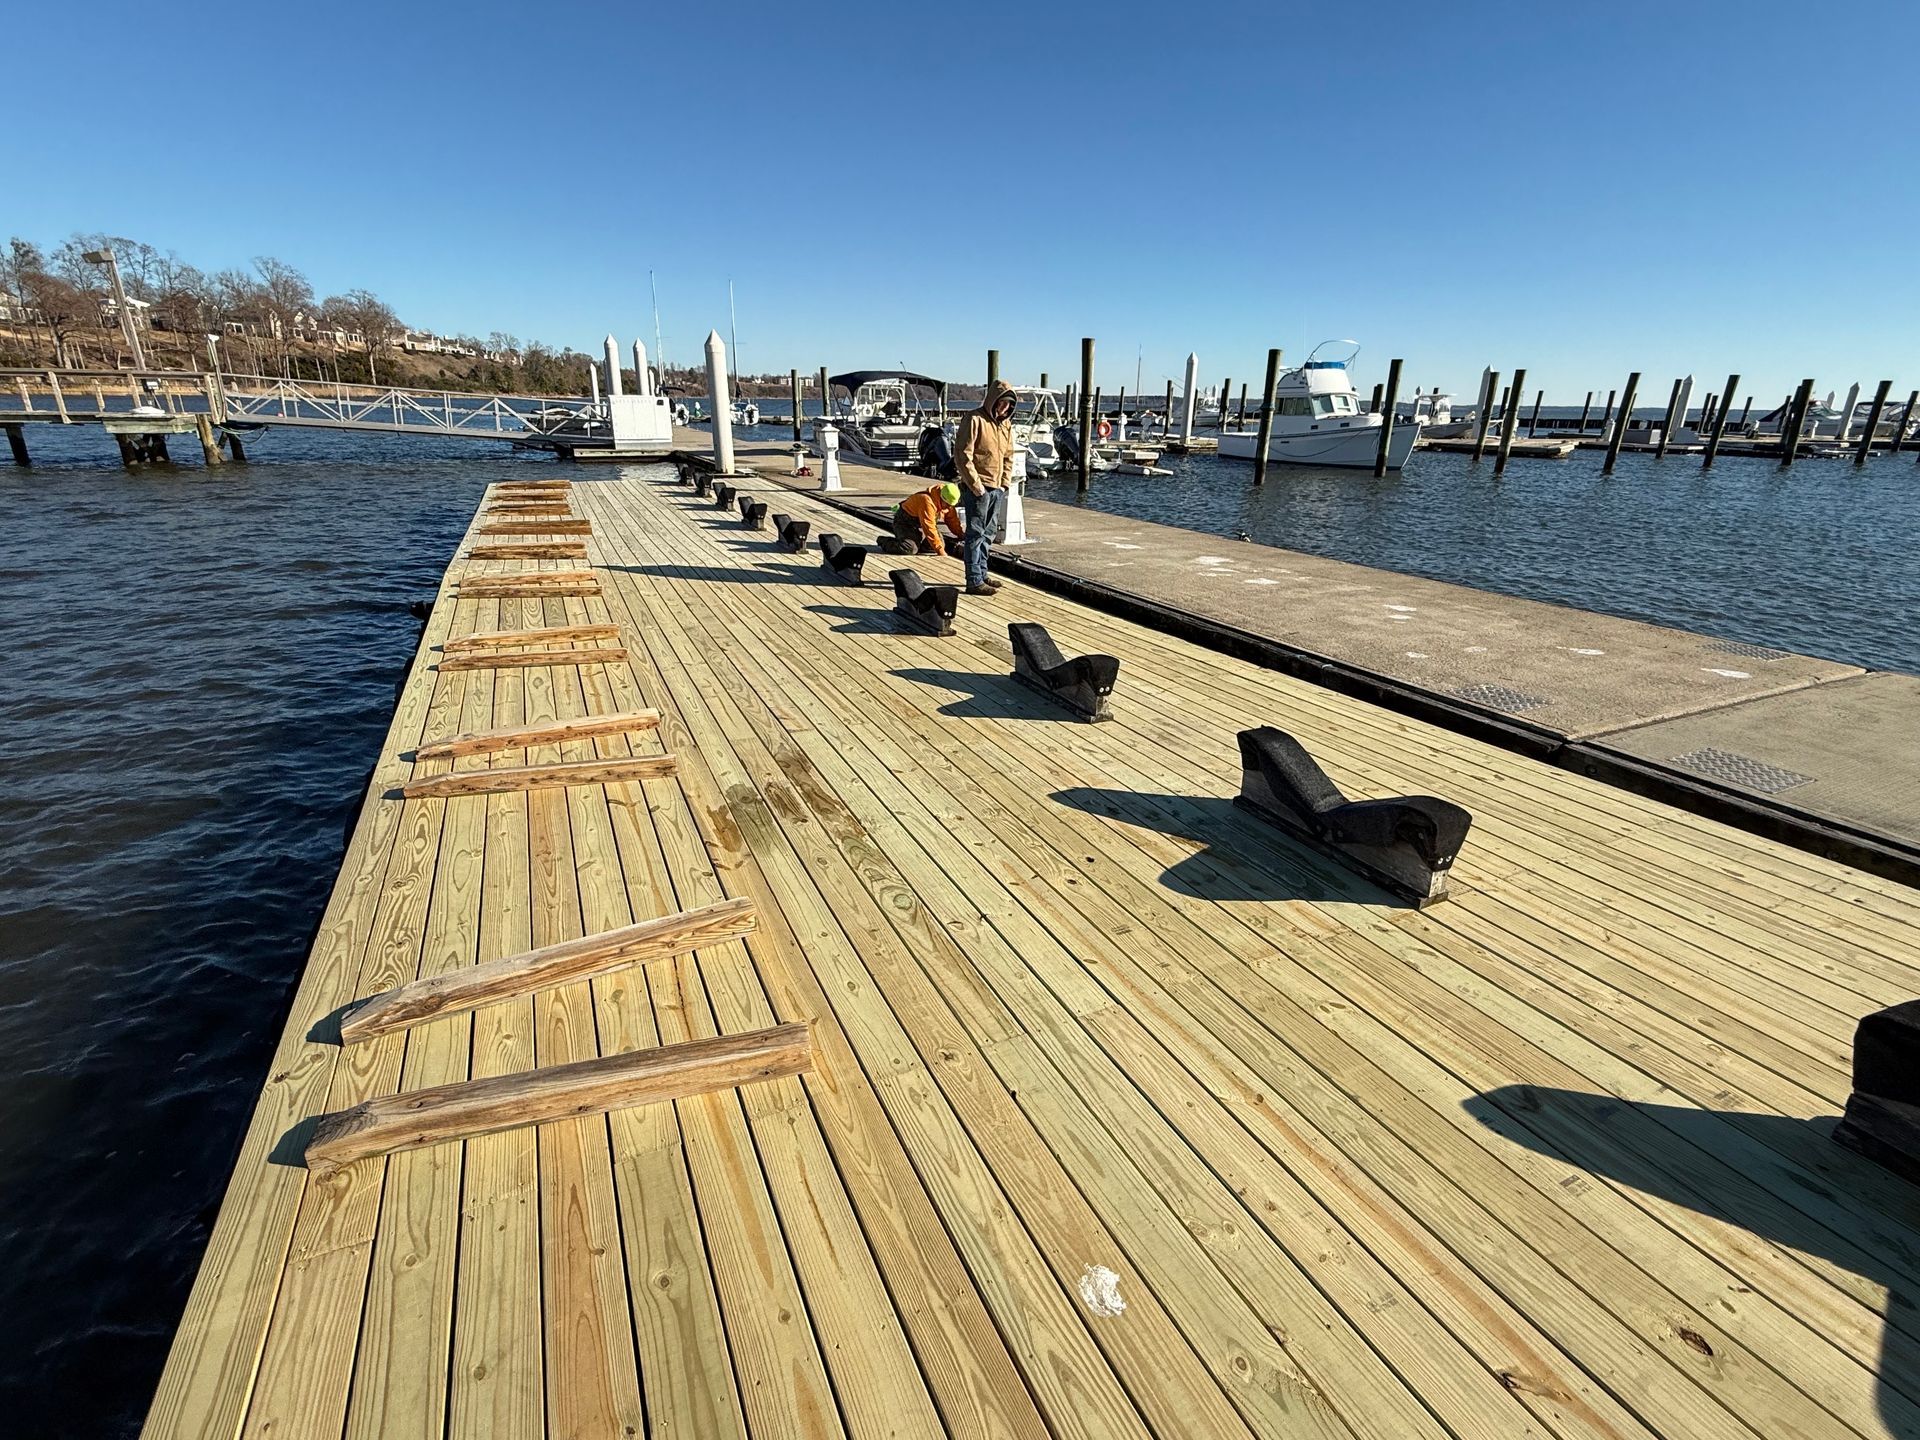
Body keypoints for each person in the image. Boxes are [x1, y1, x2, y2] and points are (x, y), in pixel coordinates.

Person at [954, 377, 1016, 595]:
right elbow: (963, 454)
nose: (1005, 407)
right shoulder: (974, 419)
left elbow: (1008, 455)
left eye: (1009, 404)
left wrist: (1004, 484)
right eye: (1002, 402)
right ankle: (973, 580)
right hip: (978, 488)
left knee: (988, 534)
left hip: (997, 487)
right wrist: (976, 485)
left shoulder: (1006, 426)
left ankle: (982, 572)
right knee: (975, 533)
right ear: (993, 400)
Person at [892, 481, 964, 556]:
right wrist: (941, 552)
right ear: (942, 498)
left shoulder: (947, 502)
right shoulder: (927, 501)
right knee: (911, 548)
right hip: (905, 523)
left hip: (921, 525)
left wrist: (960, 534)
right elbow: (929, 528)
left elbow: (952, 520)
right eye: (947, 505)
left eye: (951, 505)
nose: (949, 507)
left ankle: (917, 543)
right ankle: (884, 541)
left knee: (940, 544)